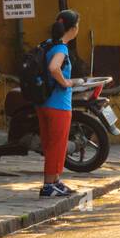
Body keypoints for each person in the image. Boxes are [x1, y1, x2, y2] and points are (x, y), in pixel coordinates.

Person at [38, 10, 81, 198]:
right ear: (73, 29)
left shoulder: (47, 45)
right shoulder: (61, 49)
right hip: (59, 105)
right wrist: (67, 82)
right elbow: (54, 68)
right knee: (57, 145)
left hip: (43, 102)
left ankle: (55, 181)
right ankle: (48, 185)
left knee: (50, 144)